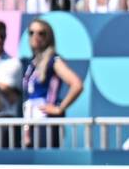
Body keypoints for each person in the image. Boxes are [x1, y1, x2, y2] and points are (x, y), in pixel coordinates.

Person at [21, 19, 83, 149]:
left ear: (48, 36)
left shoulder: (53, 60)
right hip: (30, 119)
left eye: (41, 33)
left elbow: (77, 84)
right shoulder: (32, 63)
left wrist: (59, 108)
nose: (35, 37)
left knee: (44, 162)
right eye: (31, 32)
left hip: (45, 119)